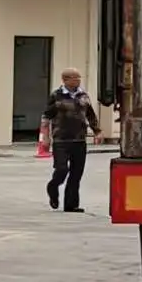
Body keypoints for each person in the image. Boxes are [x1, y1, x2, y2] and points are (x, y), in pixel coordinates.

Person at [44, 69, 100, 212]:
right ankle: (53, 186)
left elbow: (90, 115)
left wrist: (97, 131)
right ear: (65, 79)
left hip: (79, 140)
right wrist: (45, 137)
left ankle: (71, 204)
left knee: (76, 174)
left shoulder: (83, 95)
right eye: (75, 78)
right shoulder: (56, 95)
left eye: (79, 77)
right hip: (61, 140)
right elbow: (47, 116)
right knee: (62, 169)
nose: (78, 80)